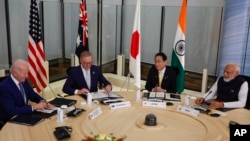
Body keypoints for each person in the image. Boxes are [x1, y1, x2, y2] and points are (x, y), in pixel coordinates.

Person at [0, 59, 54, 129]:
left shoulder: (23, 80)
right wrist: (34, 107)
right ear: (15, 73)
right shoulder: (4, 87)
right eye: (24, 73)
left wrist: (43, 101)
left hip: (24, 115)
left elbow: (32, 95)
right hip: (9, 122)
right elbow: (12, 111)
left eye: (27, 73)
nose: (27, 76)